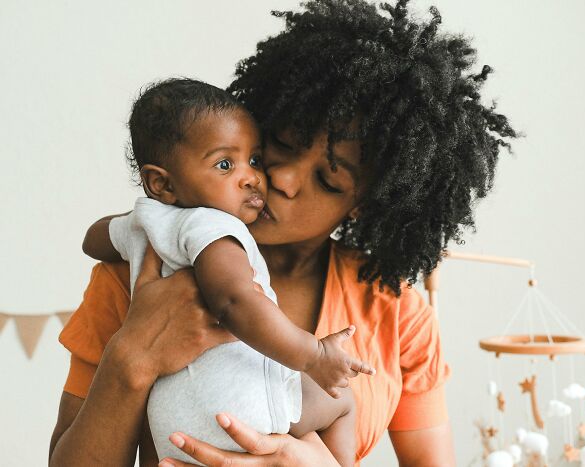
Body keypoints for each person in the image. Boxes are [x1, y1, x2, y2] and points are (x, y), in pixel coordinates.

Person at [48, 0, 515, 466]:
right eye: (282, 146)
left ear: (364, 204)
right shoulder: (134, 278)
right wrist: (133, 357)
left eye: (328, 180)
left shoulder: (396, 315)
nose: (283, 180)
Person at [81, 78, 374, 466]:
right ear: (161, 182)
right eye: (225, 164)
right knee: (342, 400)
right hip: (241, 417)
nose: (257, 177)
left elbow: (93, 239)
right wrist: (314, 353)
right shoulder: (216, 228)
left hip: (175, 432)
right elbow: (235, 300)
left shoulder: (148, 221)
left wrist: (142, 219)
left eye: (254, 159)